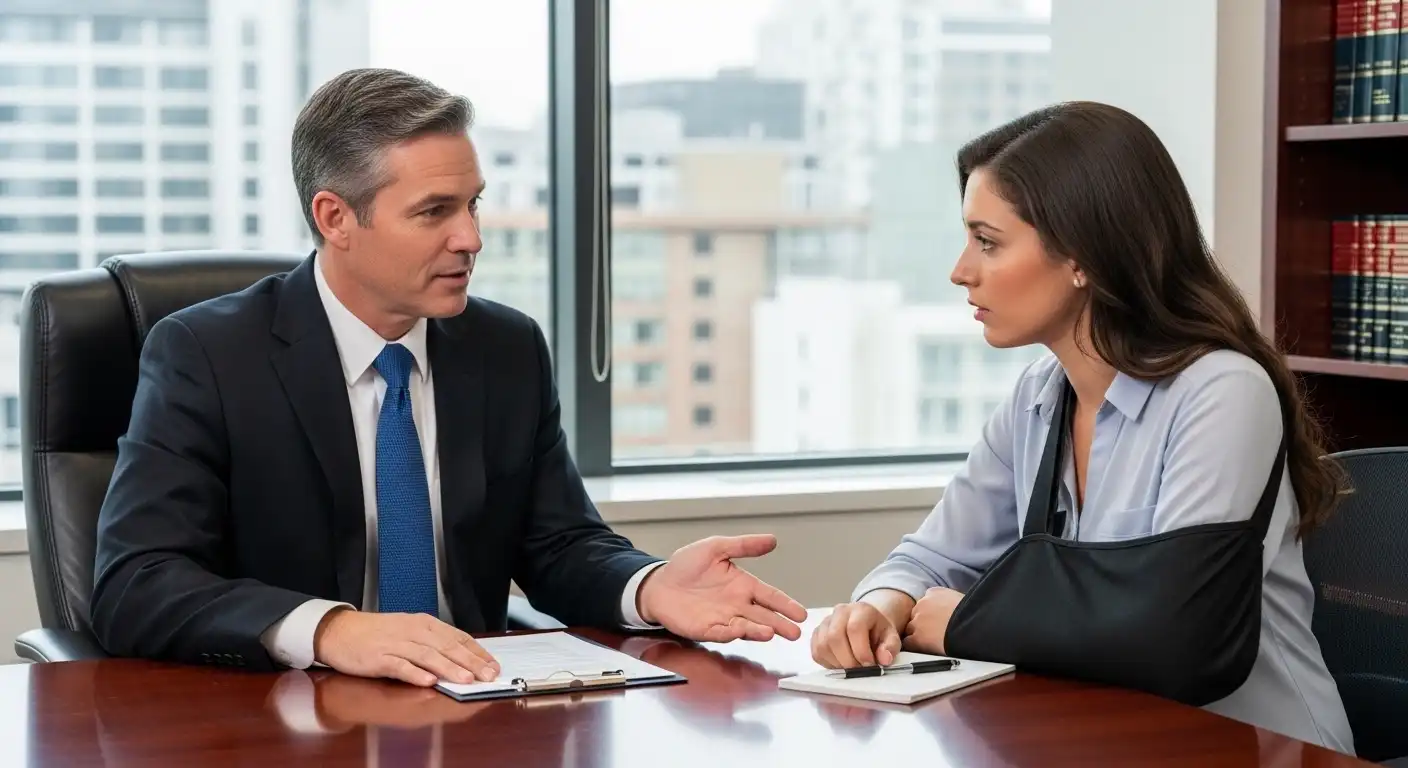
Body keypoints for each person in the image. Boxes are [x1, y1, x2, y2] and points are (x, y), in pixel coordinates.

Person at [90, 67, 807, 687]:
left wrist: (648, 588)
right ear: (336, 217)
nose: (471, 237)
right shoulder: (208, 355)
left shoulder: (505, 347)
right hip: (292, 719)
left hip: (478, 712)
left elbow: (558, 545)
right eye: (434, 211)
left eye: (473, 203)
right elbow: (137, 582)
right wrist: (331, 630)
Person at [810, 101, 1354, 754]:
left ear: (1081, 256)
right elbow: (934, 557)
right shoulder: (1038, 398)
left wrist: (966, 624)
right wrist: (881, 606)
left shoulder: (1222, 392)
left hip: (1257, 749)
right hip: (1111, 741)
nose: (961, 270)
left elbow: (1170, 633)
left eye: (988, 241)